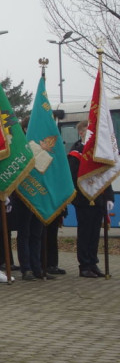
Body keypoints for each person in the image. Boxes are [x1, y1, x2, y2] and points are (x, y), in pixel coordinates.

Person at [69, 119, 111, 278]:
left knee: (94, 233)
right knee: (85, 233)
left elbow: (106, 176)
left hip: (99, 198)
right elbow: (73, 178)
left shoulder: (99, 152)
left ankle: (93, 263)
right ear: (81, 133)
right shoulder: (76, 152)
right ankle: (84, 265)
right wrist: (81, 195)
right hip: (84, 200)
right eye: (89, 132)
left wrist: (110, 198)